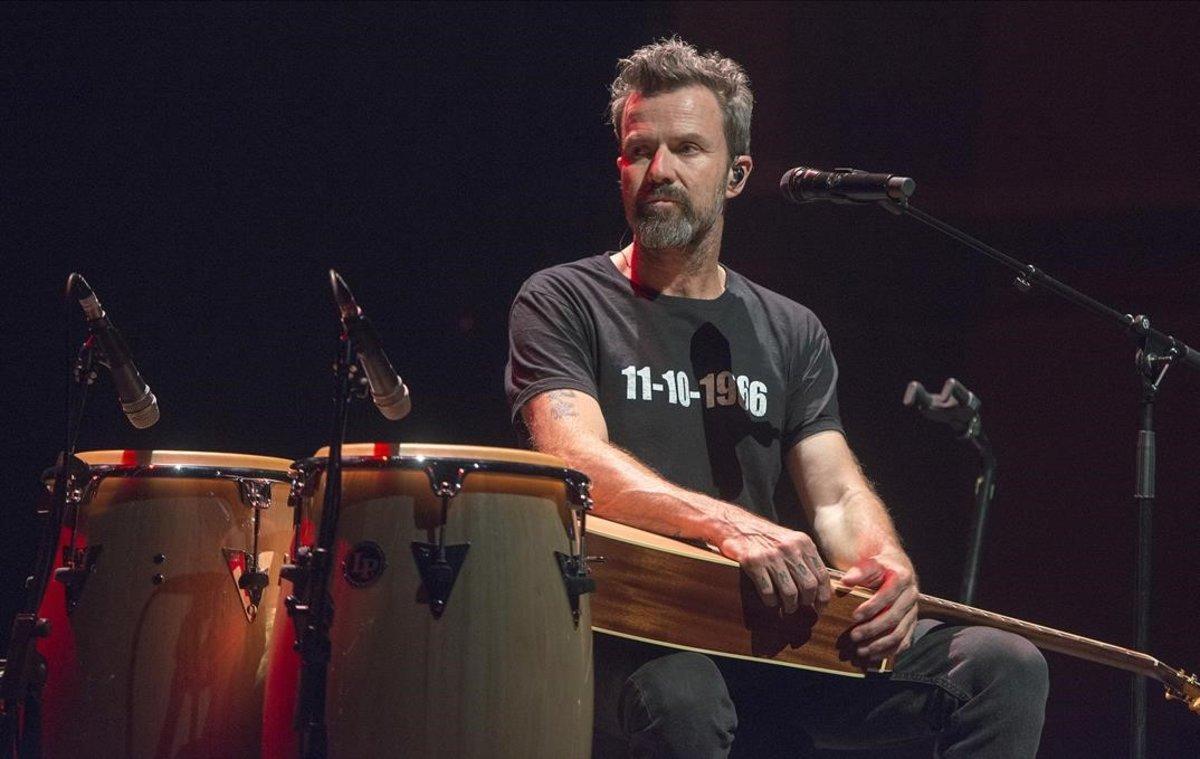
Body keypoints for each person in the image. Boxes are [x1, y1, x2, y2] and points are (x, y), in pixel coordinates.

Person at [505, 37, 1048, 758]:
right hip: (629, 628)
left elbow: (834, 494)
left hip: (762, 629)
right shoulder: (563, 299)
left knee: (1001, 668)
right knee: (684, 700)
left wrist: (885, 564)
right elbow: (576, 460)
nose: (659, 171)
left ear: (737, 174)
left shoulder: (790, 328)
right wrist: (731, 527)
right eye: (641, 151)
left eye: (688, 149)